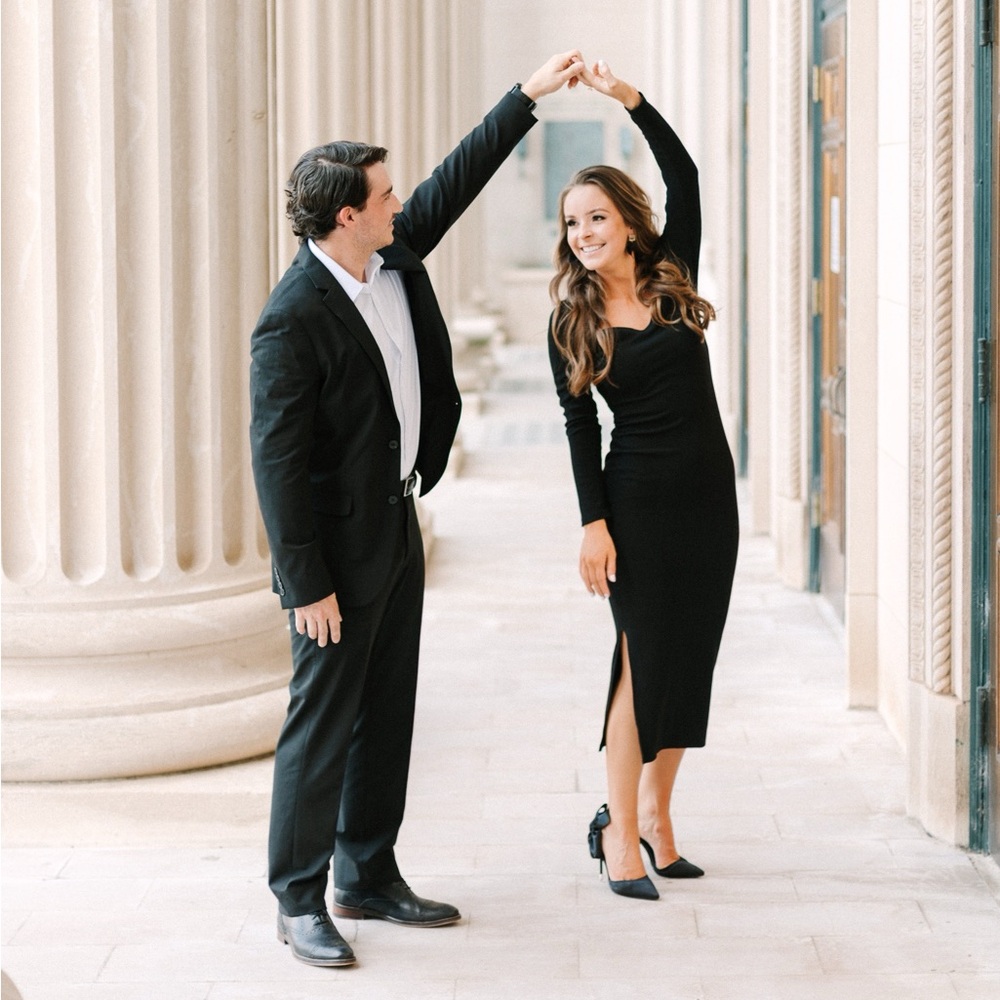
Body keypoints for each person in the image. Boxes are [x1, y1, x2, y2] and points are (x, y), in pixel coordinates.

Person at [249, 51, 586, 967]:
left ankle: (366, 873)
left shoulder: (392, 255)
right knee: (322, 724)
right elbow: (277, 464)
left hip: (399, 525)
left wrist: (526, 96)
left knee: (387, 713)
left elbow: (456, 178)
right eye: (386, 194)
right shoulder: (292, 318)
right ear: (346, 215)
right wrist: (304, 584)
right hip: (335, 556)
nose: (401, 202)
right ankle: (297, 898)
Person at [547, 61, 739, 900]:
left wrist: (629, 99)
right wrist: (594, 524)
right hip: (638, 507)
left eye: (596, 216)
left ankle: (658, 814)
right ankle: (619, 833)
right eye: (573, 222)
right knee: (640, 664)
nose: (584, 232)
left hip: (710, 498)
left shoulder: (671, 275)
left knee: (691, 658)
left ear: (627, 223)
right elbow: (579, 428)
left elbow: (685, 176)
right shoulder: (573, 319)